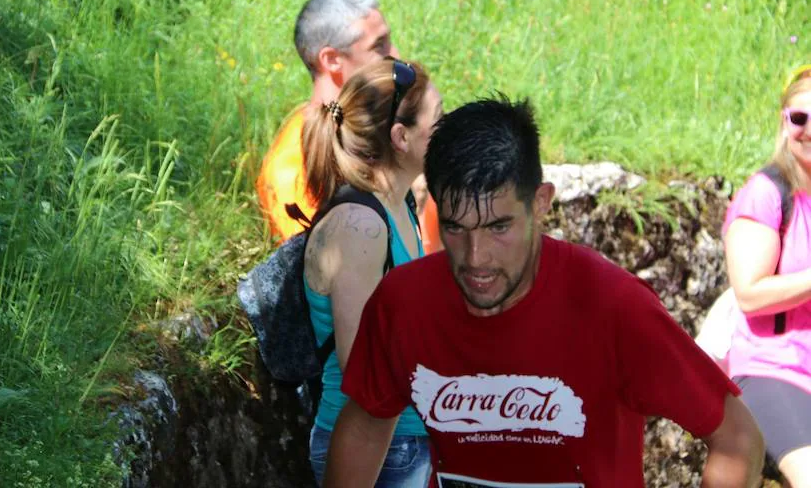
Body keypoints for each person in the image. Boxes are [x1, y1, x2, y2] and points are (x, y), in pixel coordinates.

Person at [324, 96, 764, 487]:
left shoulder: (613, 306)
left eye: (499, 227)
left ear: (541, 202)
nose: (476, 258)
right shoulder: (405, 301)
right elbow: (366, 422)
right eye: (456, 228)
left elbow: (737, 438)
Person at [303, 57, 443, 486]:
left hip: (406, 440)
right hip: (379, 453)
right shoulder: (359, 227)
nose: (446, 131)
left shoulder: (401, 205)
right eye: (437, 121)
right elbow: (364, 373)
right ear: (400, 136)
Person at [255, 0, 441, 252]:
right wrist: (417, 208)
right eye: (379, 46)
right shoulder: (292, 170)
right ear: (331, 60)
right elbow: (327, 265)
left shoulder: (400, 122)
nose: (396, 55)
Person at [724, 64, 811, 487]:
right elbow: (750, 294)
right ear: (784, 121)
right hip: (773, 370)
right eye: (800, 118)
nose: (809, 129)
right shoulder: (767, 192)